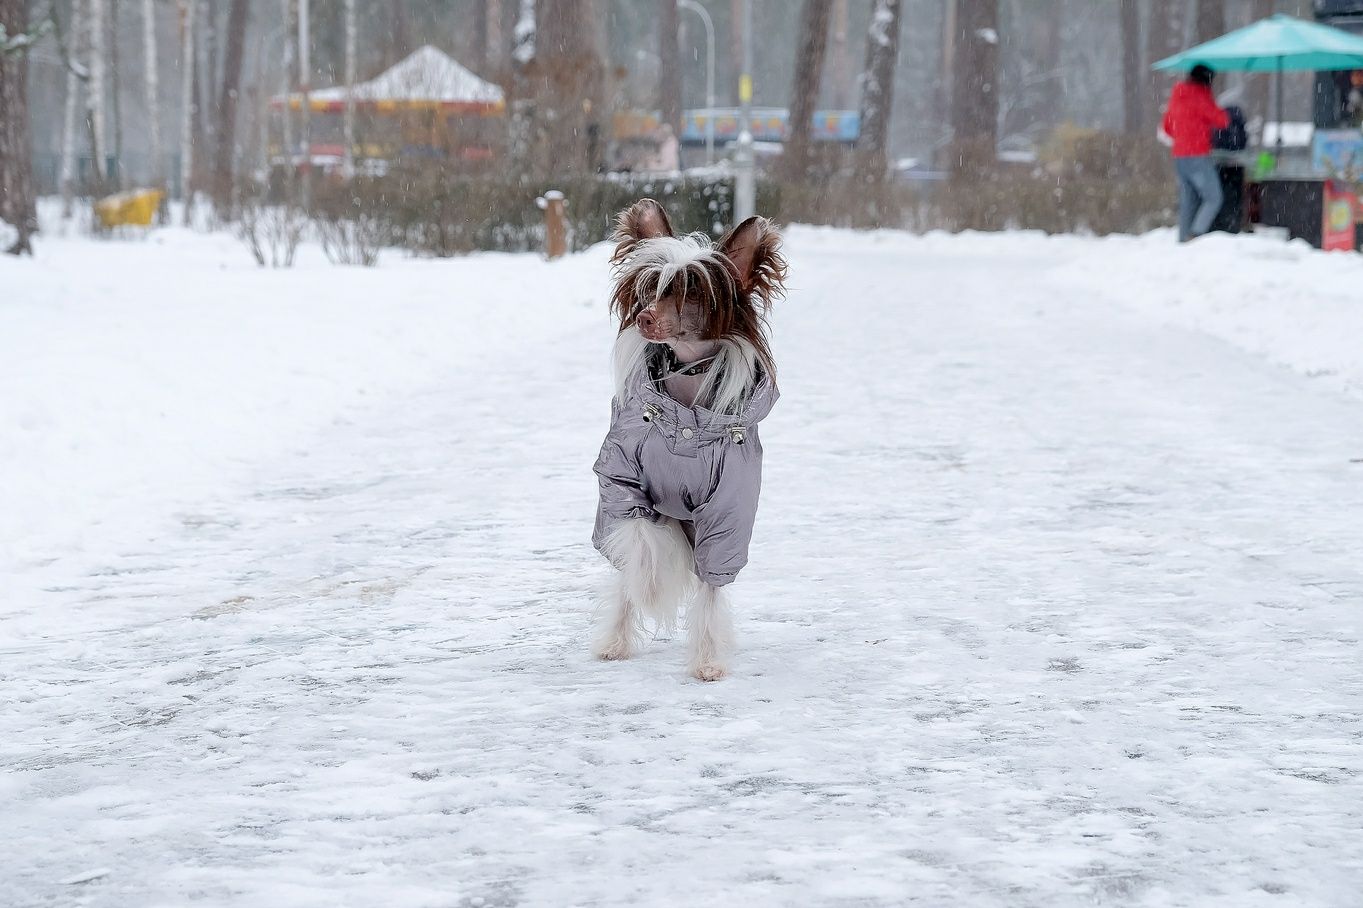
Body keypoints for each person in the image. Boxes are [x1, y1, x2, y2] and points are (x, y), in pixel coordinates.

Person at [1161, 64, 1231, 242]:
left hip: (1179, 156)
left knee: (1188, 201)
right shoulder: (1200, 95)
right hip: (1197, 155)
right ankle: (1196, 235)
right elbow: (1222, 120)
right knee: (1213, 198)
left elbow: (1167, 128)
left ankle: (1183, 239)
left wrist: (1185, 133)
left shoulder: (1177, 94)